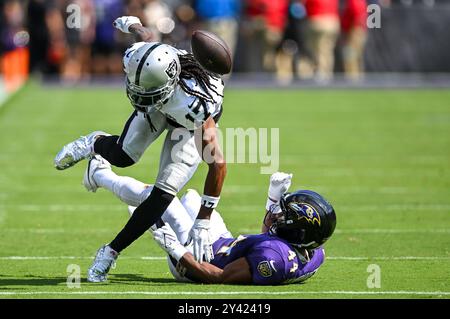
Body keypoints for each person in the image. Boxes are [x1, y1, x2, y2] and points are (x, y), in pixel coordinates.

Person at [53, 16, 227, 282]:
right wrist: (132, 25)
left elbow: (218, 165)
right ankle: (93, 143)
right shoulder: (146, 58)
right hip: (164, 104)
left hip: (186, 124)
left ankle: (110, 252)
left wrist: (204, 218)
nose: (137, 93)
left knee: (162, 197)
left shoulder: (197, 106)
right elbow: (146, 37)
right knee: (123, 156)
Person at [83, 155, 336, 284]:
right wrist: (272, 198)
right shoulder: (312, 252)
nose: (277, 215)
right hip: (223, 243)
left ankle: (99, 174)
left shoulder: (273, 259)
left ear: (298, 231)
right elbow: (268, 240)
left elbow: (219, 277)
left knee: (158, 197)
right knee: (193, 197)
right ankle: (158, 216)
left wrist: (175, 248)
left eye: (285, 215)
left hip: (198, 261)